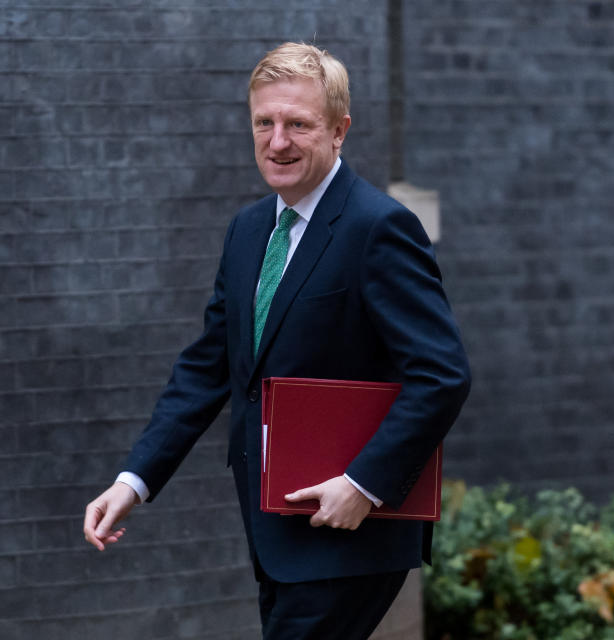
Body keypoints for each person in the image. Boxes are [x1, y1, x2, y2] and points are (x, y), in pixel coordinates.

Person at [84, 42, 471, 639]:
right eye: (264, 123)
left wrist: (364, 484)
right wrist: (132, 481)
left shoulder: (380, 228)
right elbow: (209, 367)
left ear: (339, 130)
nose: (278, 141)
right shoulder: (248, 231)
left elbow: (442, 374)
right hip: (275, 528)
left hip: (349, 530)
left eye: (298, 124)